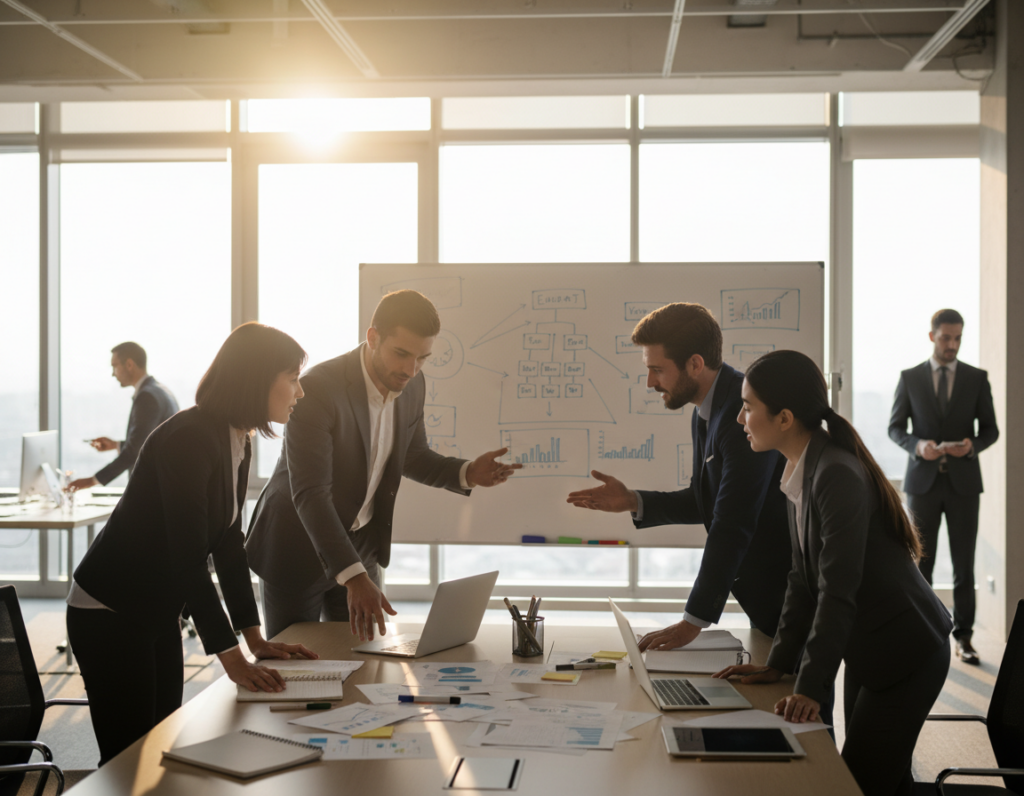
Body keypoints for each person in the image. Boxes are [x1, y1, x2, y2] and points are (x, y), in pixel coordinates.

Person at [66, 323, 317, 766]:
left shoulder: (238, 437)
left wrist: (254, 638)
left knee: (161, 743)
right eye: (293, 378)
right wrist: (231, 657)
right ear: (258, 379)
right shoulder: (190, 438)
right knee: (128, 759)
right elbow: (188, 559)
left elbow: (228, 542)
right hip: (109, 610)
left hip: (156, 605)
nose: (300, 392)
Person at [717, 350, 952, 796]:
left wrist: (808, 688)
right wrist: (778, 664)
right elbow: (801, 580)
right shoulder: (802, 467)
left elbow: (836, 591)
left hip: (907, 651)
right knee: (884, 780)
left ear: (784, 418)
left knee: (856, 782)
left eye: (748, 408)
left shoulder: (834, 474)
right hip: (871, 646)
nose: (739, 419)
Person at [245, 290, 522, 642]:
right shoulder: (318, 389)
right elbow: (311, 494)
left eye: (423, 358)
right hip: (297, 548)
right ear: (373, 338)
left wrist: (465, 472)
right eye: (401, 354)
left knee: (364, 659)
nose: (410, 369)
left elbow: (412, 455)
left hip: (360, 546)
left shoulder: (413, 384)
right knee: (298, 668)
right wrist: (356, 578)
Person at [566, 302, 792, 648]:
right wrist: (633, 501)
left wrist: (692, 622)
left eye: (657, 369)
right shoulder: (707, 409)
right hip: (770, 601)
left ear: (695, 364)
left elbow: (732, 521)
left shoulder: (739, 413)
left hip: (791, 598)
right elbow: (707, 500)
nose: (649, 382)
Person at [888, 308, 998, 665]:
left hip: (964, 483)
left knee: (964, 565)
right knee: (920, 563)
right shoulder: (910, 378)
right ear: (932, 336)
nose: (953, 345)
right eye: (947, 337)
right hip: (922, 483)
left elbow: (991, 430)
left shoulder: (977, 378)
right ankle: (921, 633)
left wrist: (972, 446)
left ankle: (963, 638)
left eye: (958, 338)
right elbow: (896, 428)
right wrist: (918, 446)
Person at [69, 341, 179, 491]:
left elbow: (135, 451)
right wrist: (116, 445)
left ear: (129, 364)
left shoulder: (147, 396)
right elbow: (147, 443)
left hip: (154, 489)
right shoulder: (161, 391)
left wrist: (91, 481)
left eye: (115, 366)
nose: (113, 374)